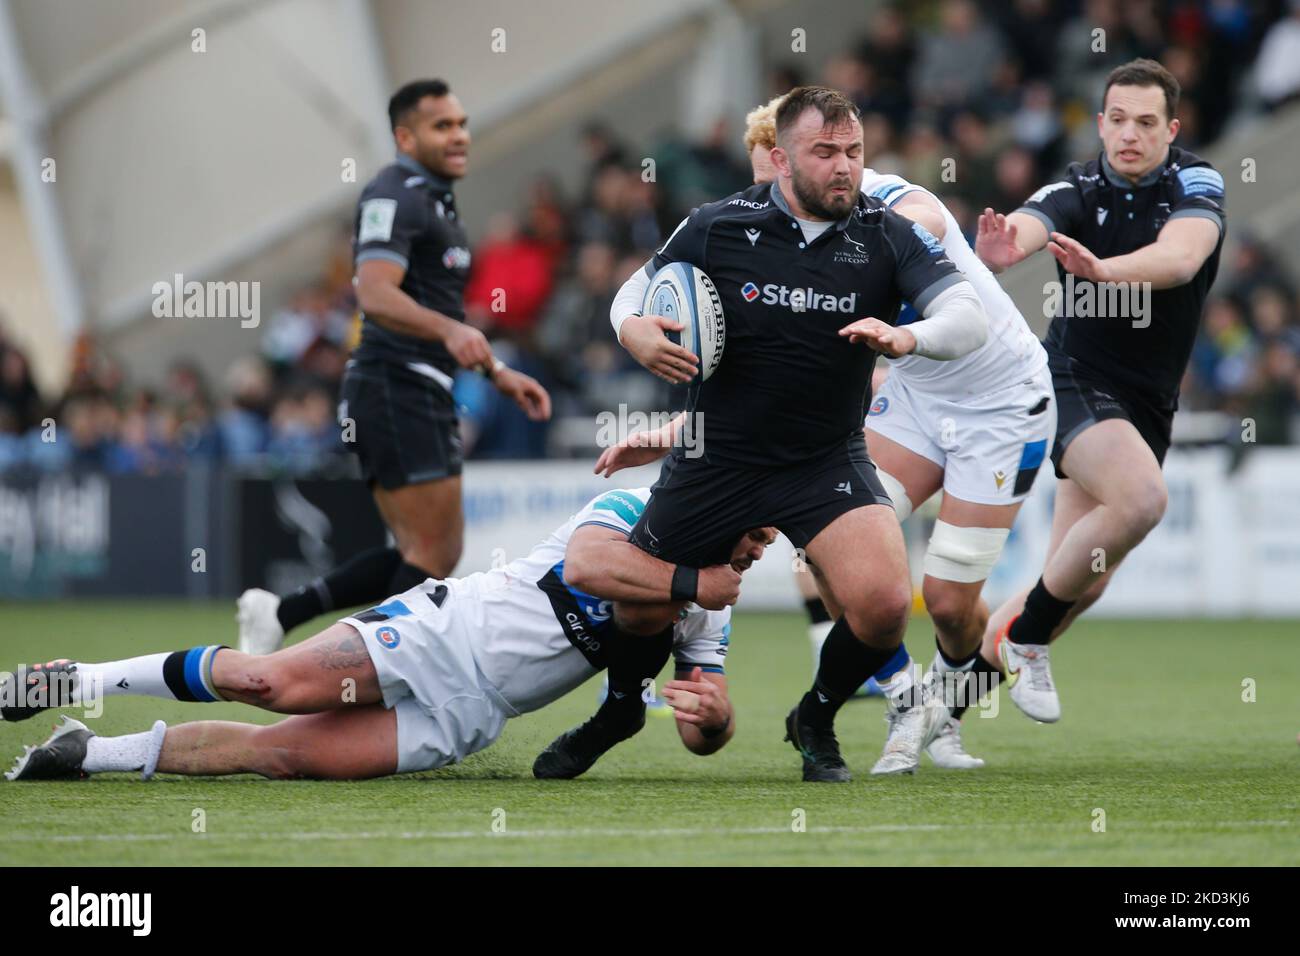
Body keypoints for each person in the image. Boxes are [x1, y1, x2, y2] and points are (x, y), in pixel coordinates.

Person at [546, 87, 988, 783]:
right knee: (640, 606)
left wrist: (909, 335)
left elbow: (968, 315)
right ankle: (622, 708)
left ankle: (814, 716)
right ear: (780, 159)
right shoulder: (718, 224)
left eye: (854, 152)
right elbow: (635, 289)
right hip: (717, 455)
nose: (845, 167)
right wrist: (631, 329)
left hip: (823, 459)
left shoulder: (887, 232)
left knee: (881, 609)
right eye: (826, 152)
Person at [3, 489, 770, 782]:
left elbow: (710, 721)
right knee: (267, 682)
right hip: (443, 633)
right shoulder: (636, 511)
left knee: (279, 757)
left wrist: (715, 722)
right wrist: (690, 585)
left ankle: (89, 753)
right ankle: (76, 680)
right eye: (757, 531)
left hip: (466, 718)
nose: (761, 548)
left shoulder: (714, 600)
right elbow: (585, 565)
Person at [236, 78, 550, 655]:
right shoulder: (393, 194)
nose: (459, 135)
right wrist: (455, 331)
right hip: (393, 386)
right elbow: (376, 294)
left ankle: (288, 615)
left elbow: (439, 312)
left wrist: (497, 373)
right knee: (431, 555)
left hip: (417, 386)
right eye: (442, 126)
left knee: (427, 552)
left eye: (461, 123)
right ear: (405, 136)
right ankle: (351, 673)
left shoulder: (436, 200)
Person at [974, 59, 1226, 722]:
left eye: (1146, 122)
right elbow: (1033, 220)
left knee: (1075, 584)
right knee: (1142, 499)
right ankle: (1025, 644)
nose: (1129, 134)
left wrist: (1104, 270)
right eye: (1117, 119)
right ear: (1100, 124)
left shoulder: (1196, 181)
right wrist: (1008, 247)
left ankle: (936, 701)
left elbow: (1181, 259)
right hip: (1073, 380)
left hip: (1148, 402)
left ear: (1171, 128)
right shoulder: (1078, 186)